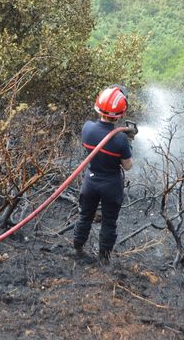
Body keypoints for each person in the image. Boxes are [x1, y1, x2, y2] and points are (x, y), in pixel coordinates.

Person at [73, 85, 136, 266]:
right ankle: (104, 259)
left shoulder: (87, 128)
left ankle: (77, 249)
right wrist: (129, 142)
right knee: (109, 222)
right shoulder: (120, 139)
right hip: (111, 185)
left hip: (90, 181)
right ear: (121, 113)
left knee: (85, 215)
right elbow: (128, 165)